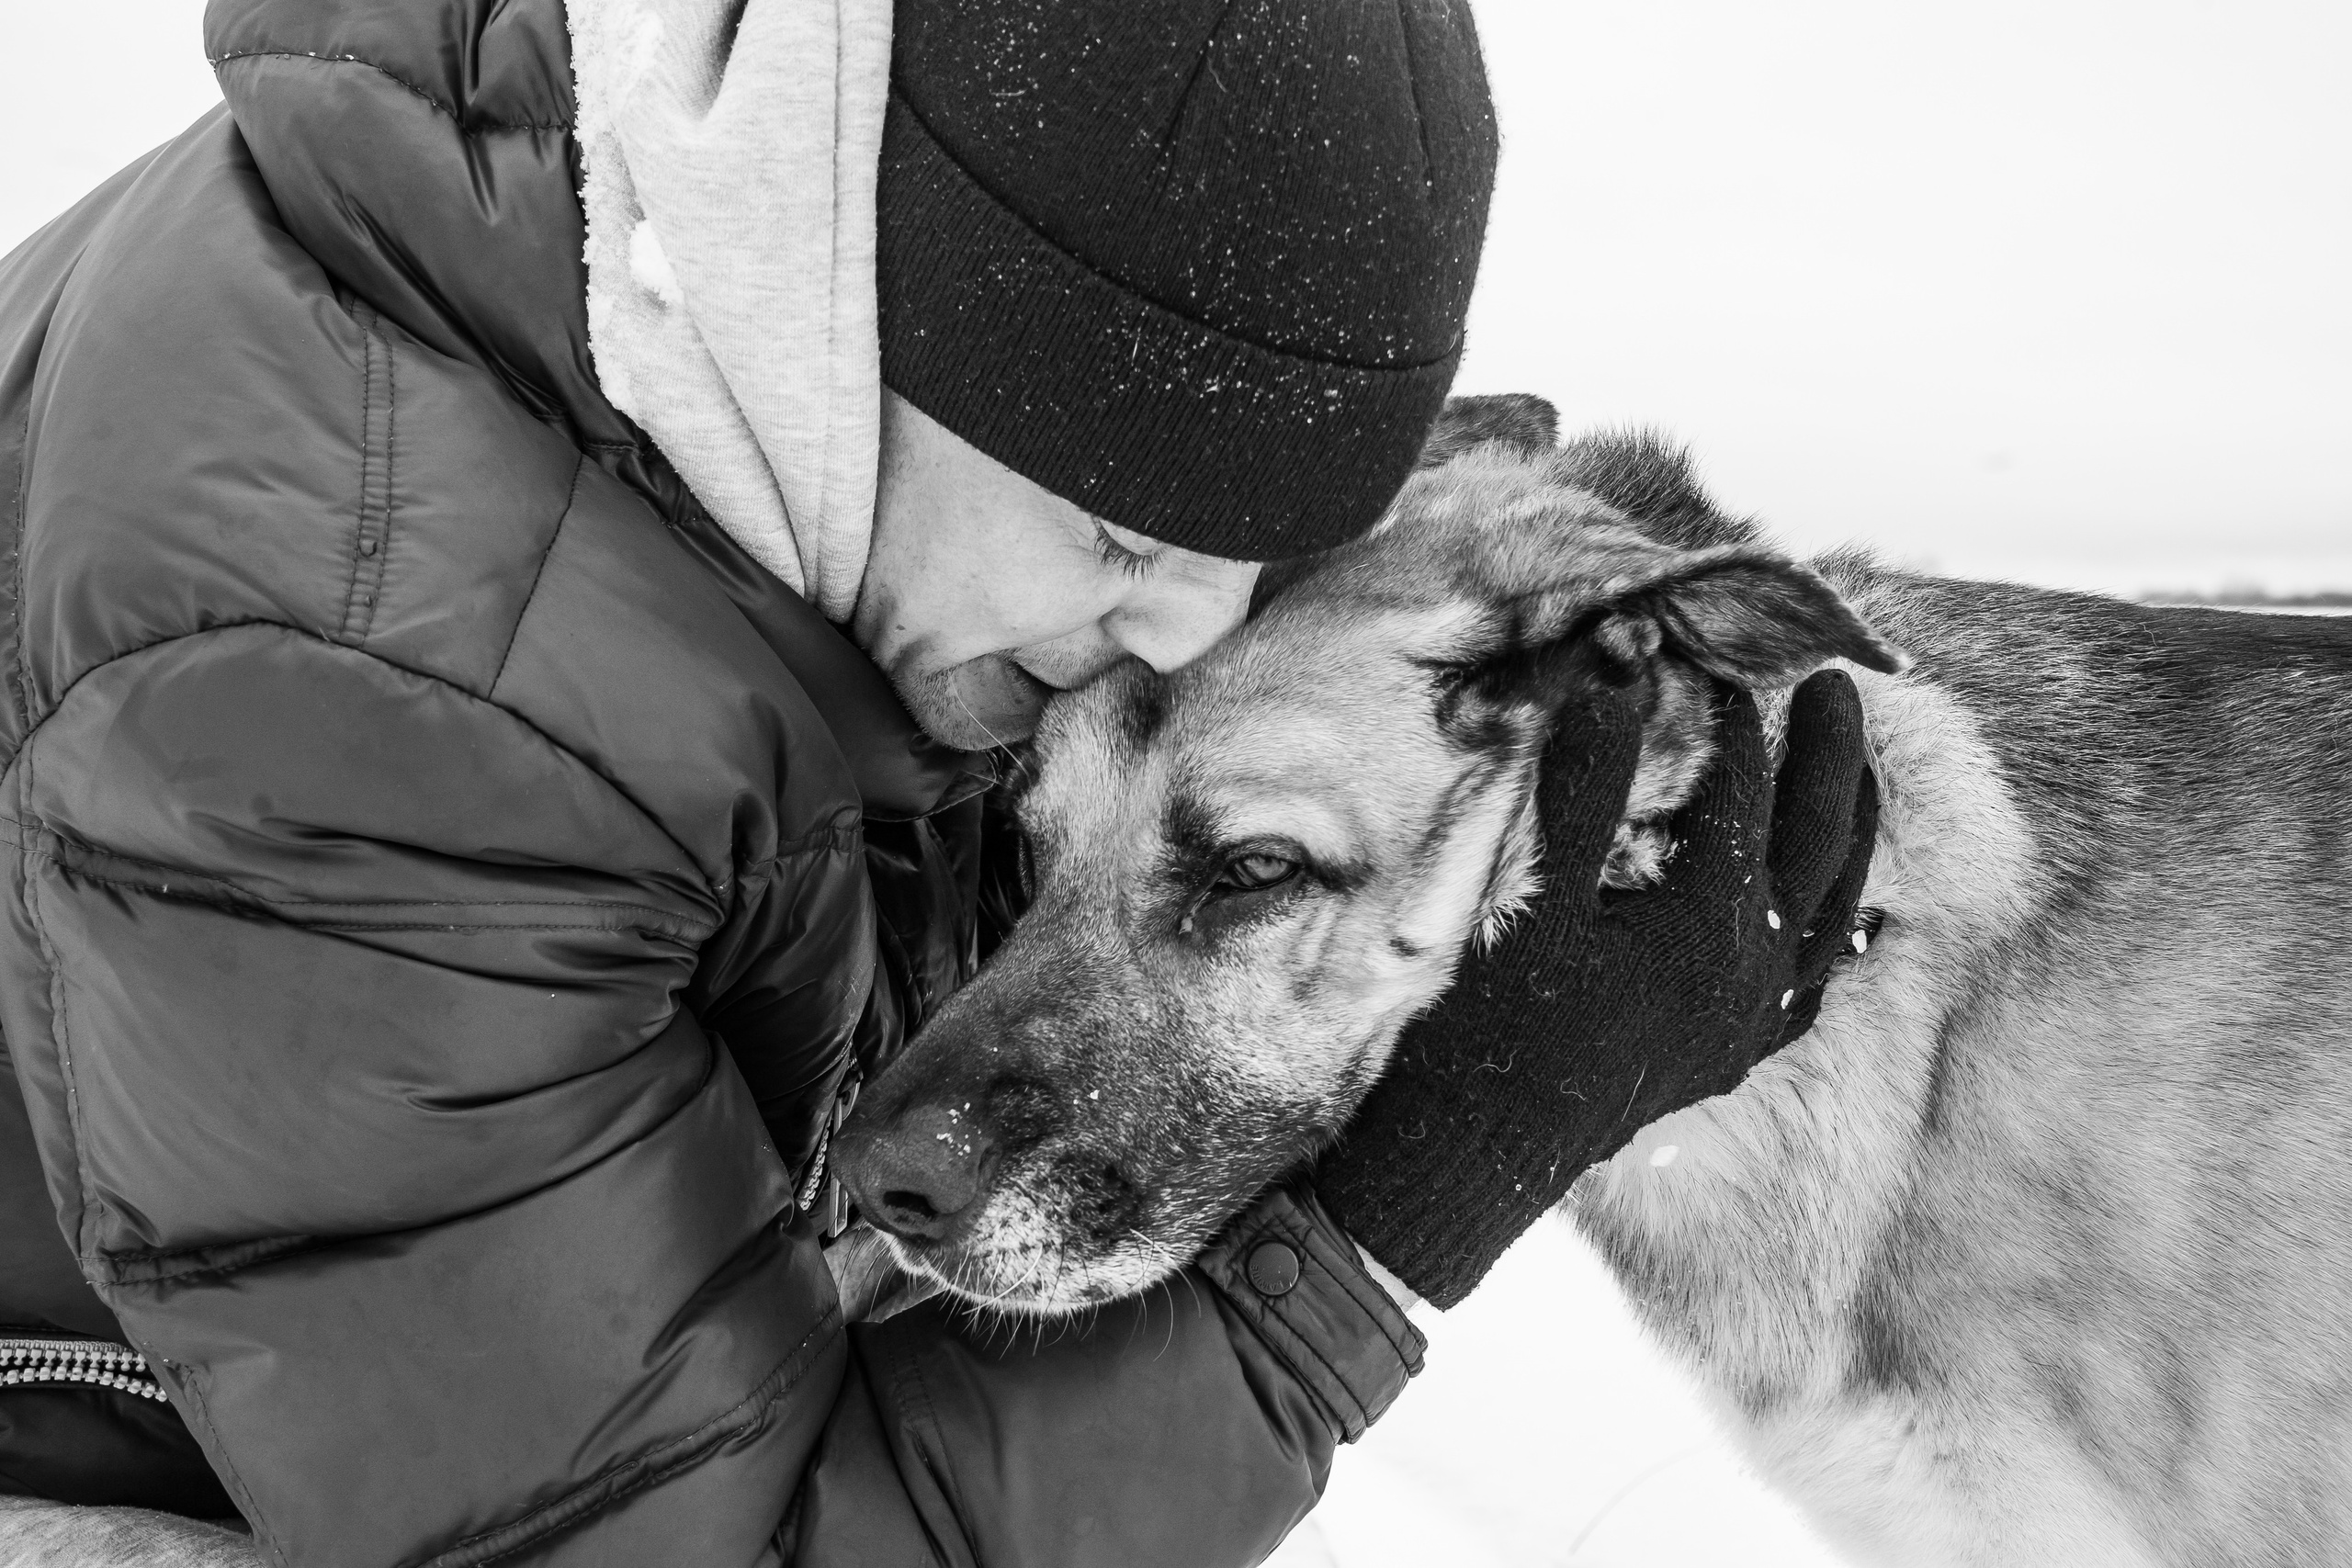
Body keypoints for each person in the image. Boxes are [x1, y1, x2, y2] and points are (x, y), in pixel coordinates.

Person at [0, 0, 1877, 1562]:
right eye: (1118, 523)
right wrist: (1410, 1193)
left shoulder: (686, 317)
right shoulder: (356, 684)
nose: (1178, 623)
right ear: (852, 323)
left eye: (1256, 554)